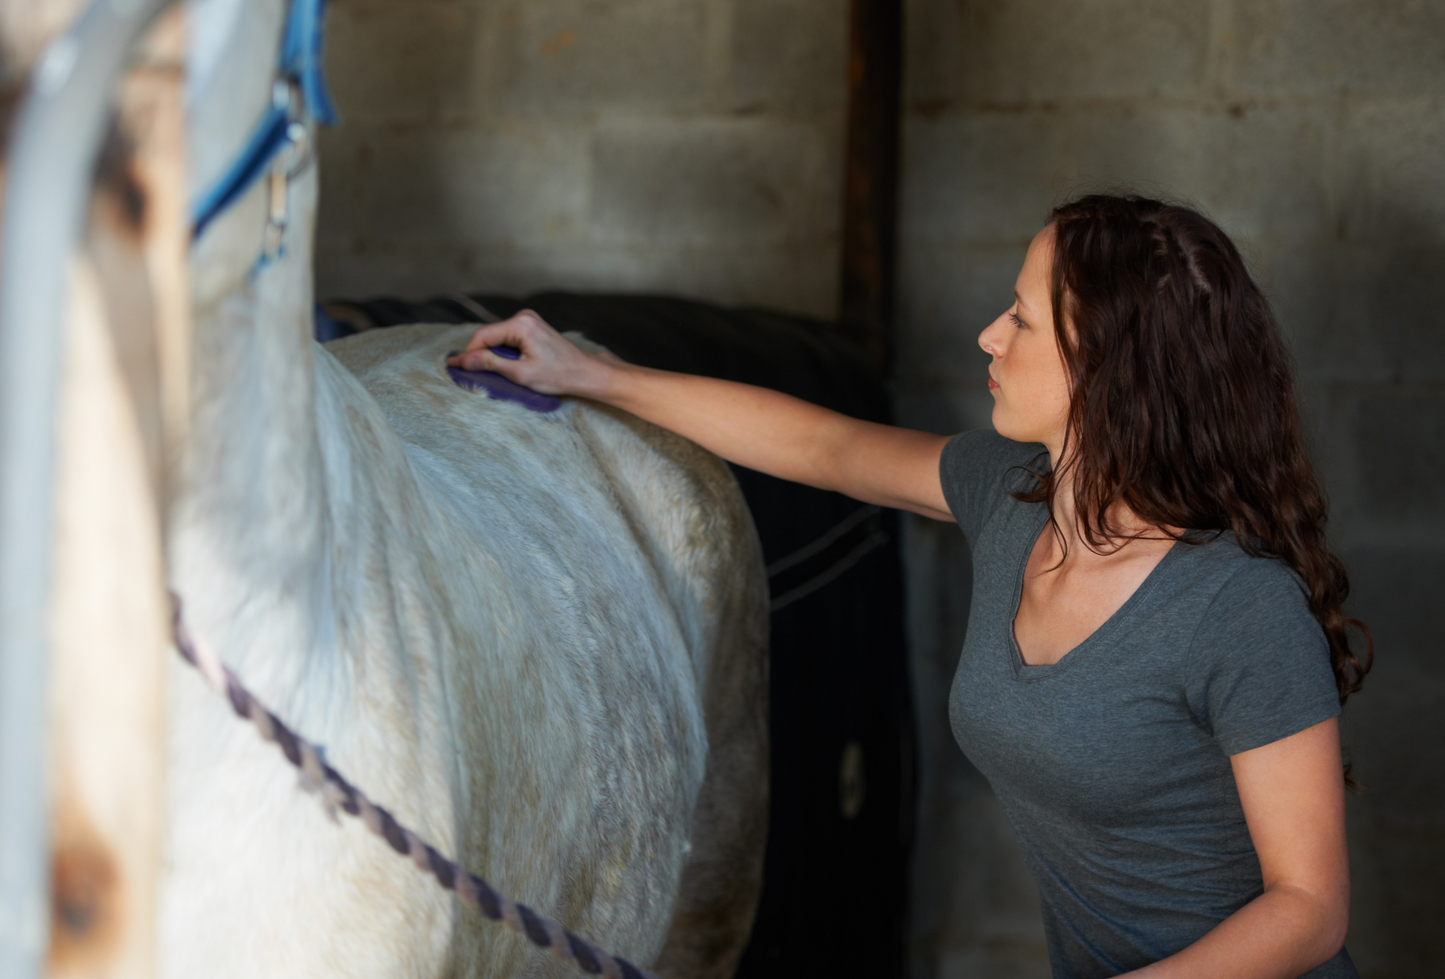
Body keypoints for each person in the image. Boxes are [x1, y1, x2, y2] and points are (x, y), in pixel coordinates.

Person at [448, 194, 1372, 979]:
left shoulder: (1238, 607)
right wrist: (590, 373)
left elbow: (1308, 907)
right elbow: (828, 448)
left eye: (1019, 319)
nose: (987, 335)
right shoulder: (1012, 500)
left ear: (1102, 367)